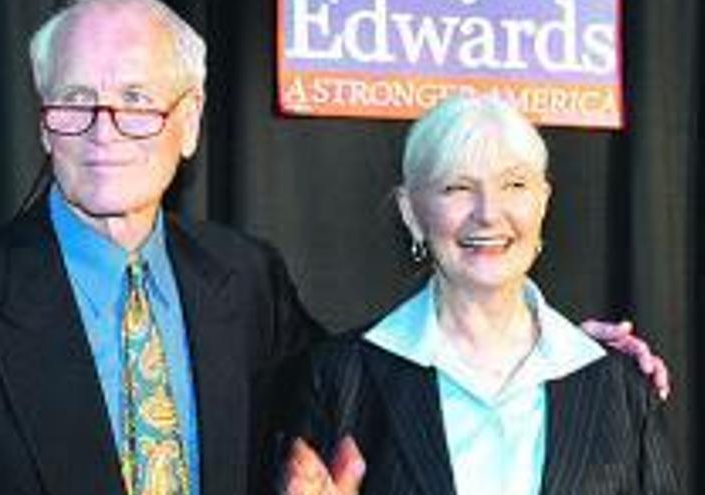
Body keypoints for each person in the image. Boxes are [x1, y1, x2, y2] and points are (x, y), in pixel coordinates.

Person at [0, 2, 668, 494]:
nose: (104, 132)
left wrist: (547, 345)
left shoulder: (243, 279)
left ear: (190, 122)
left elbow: (372, 378)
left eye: (136, 100)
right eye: (74, 101)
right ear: (43, 117)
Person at [281, 95, 680, 495]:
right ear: (411, 213)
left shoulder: (619, 385)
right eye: (457, 187)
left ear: (542, 203)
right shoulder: (341, 378)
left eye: (515, 185)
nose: (488, 212)